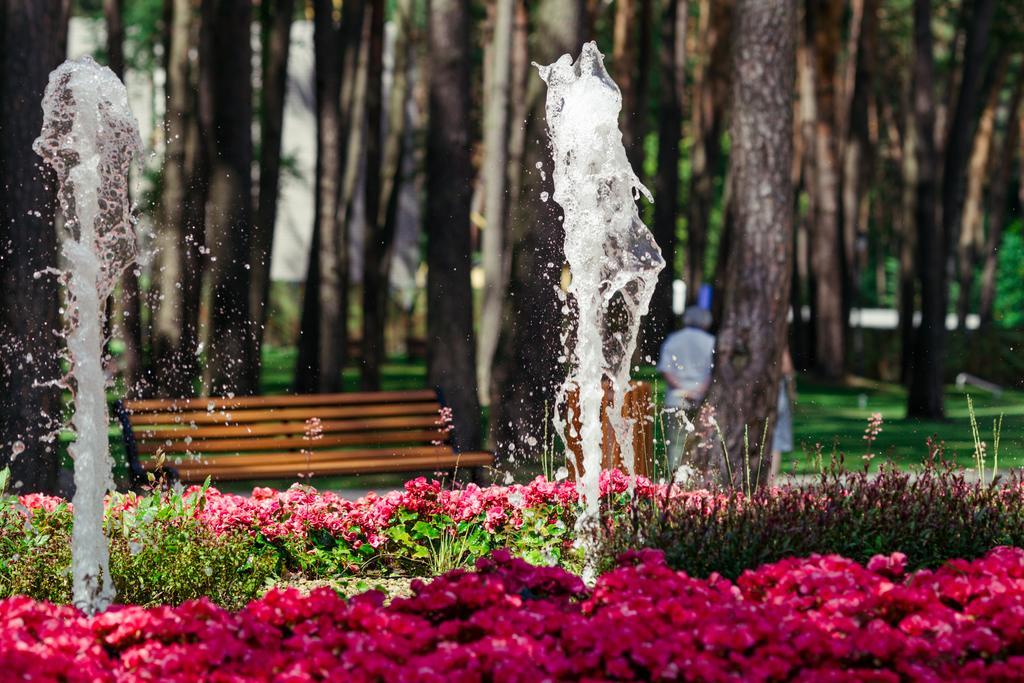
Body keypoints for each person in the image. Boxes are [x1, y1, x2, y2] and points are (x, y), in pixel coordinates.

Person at [657, 307, 715, 475]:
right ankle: (697, 484)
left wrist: (682, 390)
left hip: (675, 399)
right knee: (702, 443)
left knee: (675, 444)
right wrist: (698, 391)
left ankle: (675, 483)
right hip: (702, 400)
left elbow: (665, 370)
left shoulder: (673, 340)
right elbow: (713, 373)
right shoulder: (711, 341)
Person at [770, 347, 796, 482]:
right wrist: (792, 390)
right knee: (776, 439)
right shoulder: (776, 335)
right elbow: (786, 367)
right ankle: (770, 481)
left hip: (756, 393)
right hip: (776, 391)